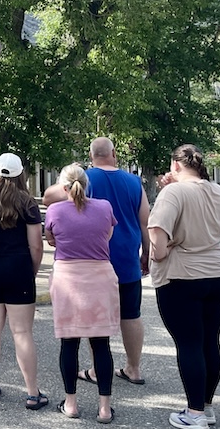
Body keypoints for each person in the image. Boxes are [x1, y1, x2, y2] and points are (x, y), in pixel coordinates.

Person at [148, 144, 220, 429]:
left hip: (182, 274)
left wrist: (160, 253)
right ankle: (206, 406)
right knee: (210, 340)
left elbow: (158, 236)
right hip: (218, 272)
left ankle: (193, 413)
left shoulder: (173, 193)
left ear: (175, 166)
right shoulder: (217, 190)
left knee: (189, 343)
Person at [0, 152, 47, 409]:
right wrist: (32, 271)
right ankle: (32, 393)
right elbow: (36, 246)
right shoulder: (27, 203)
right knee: (22, 332)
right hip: (17, 269)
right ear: (20, 173)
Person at [46, 164, 118, 422]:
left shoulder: (54, 210)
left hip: (68, 278)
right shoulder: (105, 207)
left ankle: (71, 403)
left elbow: (52, 239)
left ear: (63, 186)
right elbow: (107, 236)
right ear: (87, 184)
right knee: (101, 345)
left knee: (69, 343)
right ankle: (104, 408)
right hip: (100, 277)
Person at [78, 137, 151, 386]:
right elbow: (145, 221)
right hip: (128, 259)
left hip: (94, 260)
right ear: (114, 153)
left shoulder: (84, 180)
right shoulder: (134, 182)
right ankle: (134, 368)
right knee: (131, 315)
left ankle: (98, 370)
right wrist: (146, 253)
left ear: (91, 156)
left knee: (96, 316)